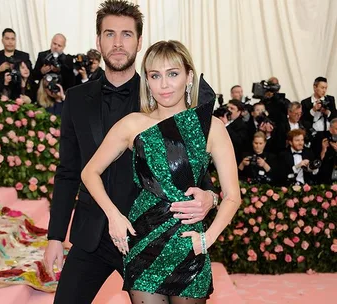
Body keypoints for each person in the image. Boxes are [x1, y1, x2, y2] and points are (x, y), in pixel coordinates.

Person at [44, 1, 218, 303]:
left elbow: (189, 162)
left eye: (126, 34)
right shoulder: (76, 99)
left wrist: (210, 196)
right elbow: (69, 171)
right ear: (98, 41)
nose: (118, 42)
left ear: (139, 41)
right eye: (109, 34)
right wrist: (55, 237)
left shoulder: (163, 94)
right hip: (93, 235)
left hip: (150, 235)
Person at [82, 40, 240, 303]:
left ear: (189, 76)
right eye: (155, 76)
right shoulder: (133, 124)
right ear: (147, 80)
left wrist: (207, 239)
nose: (164, 85)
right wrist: (114, 216)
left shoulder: (212, 127)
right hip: (144, 242)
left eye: (173, 74)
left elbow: (232, 195)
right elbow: (90, 172)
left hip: (189, 244)